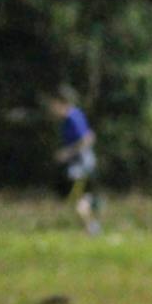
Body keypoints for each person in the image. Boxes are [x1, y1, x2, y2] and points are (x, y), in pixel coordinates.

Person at [46, 85, 102, 235]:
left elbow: (87, 139)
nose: (51, 108)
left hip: (81, 163)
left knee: (77, 198)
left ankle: (92, 228)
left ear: (61, 103)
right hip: (82, 162)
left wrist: (66, 153)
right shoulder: (72, 116)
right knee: (82, 197)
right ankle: (93, 223)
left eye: (53, 104)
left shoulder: (72, 117)